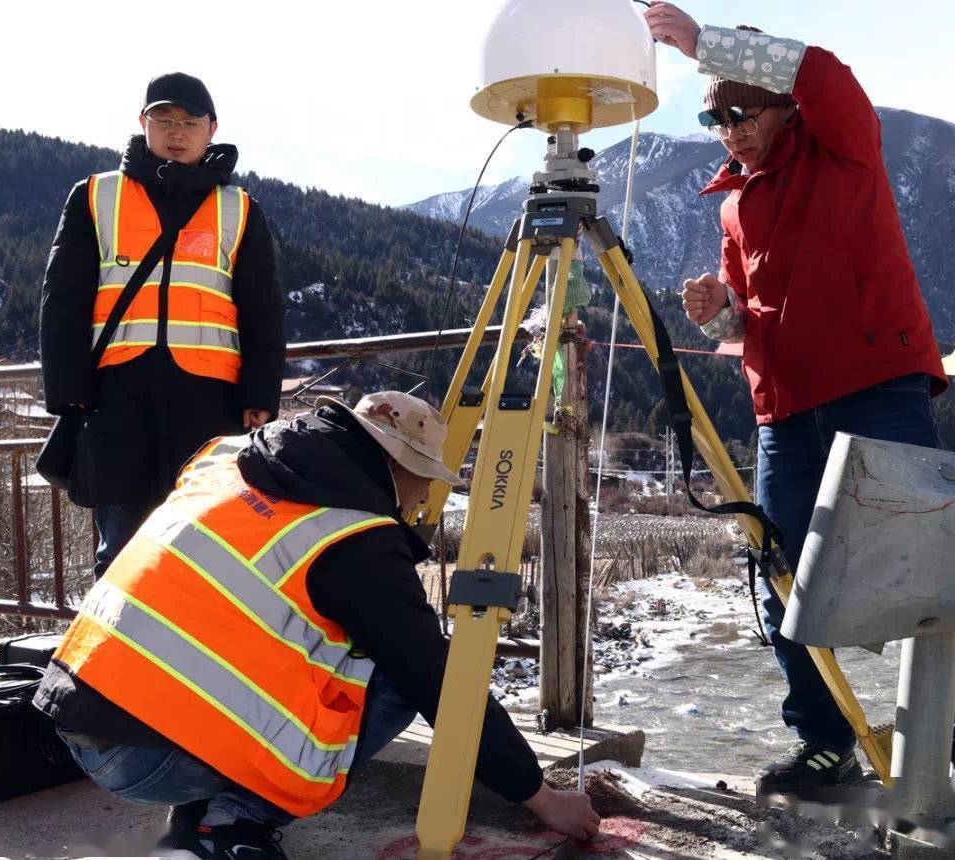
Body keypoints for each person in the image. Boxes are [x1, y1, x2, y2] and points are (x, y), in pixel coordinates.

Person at [644, 2, 955, 814]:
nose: (728, 130)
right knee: (785, 577)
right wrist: (718, 311)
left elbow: (822, 68)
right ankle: (823, 739)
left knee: (931, 561)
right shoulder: (734, 204)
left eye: (742, 111)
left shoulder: (844, 143)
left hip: (878, 387)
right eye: (714, 117)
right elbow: (750, 320)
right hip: (785, 411)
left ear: (783, 106)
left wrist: (702, 42)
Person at [33, 391, 600, 858]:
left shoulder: (226, 459)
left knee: (328, 646)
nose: (427, 495)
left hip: (79, 713)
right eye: (423, 477)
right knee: (397, 678)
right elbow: (443, 685)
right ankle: (235, 819)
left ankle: (209, 795)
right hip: (151, 760)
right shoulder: (354, 541)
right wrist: (541, 797)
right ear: (392, 464)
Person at [39, 72, 286, 579]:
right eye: (164, 119)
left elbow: (263, 311)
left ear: (212, 128)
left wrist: (259, 396)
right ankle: (113, 652)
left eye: (190, 122)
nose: (177, 132)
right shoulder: (95, 196)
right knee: (123, 551)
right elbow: (63, 300)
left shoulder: (239, 210)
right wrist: (70, 393)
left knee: (204, 543)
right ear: (142, 124)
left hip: (209, 404)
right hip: (115, 399)